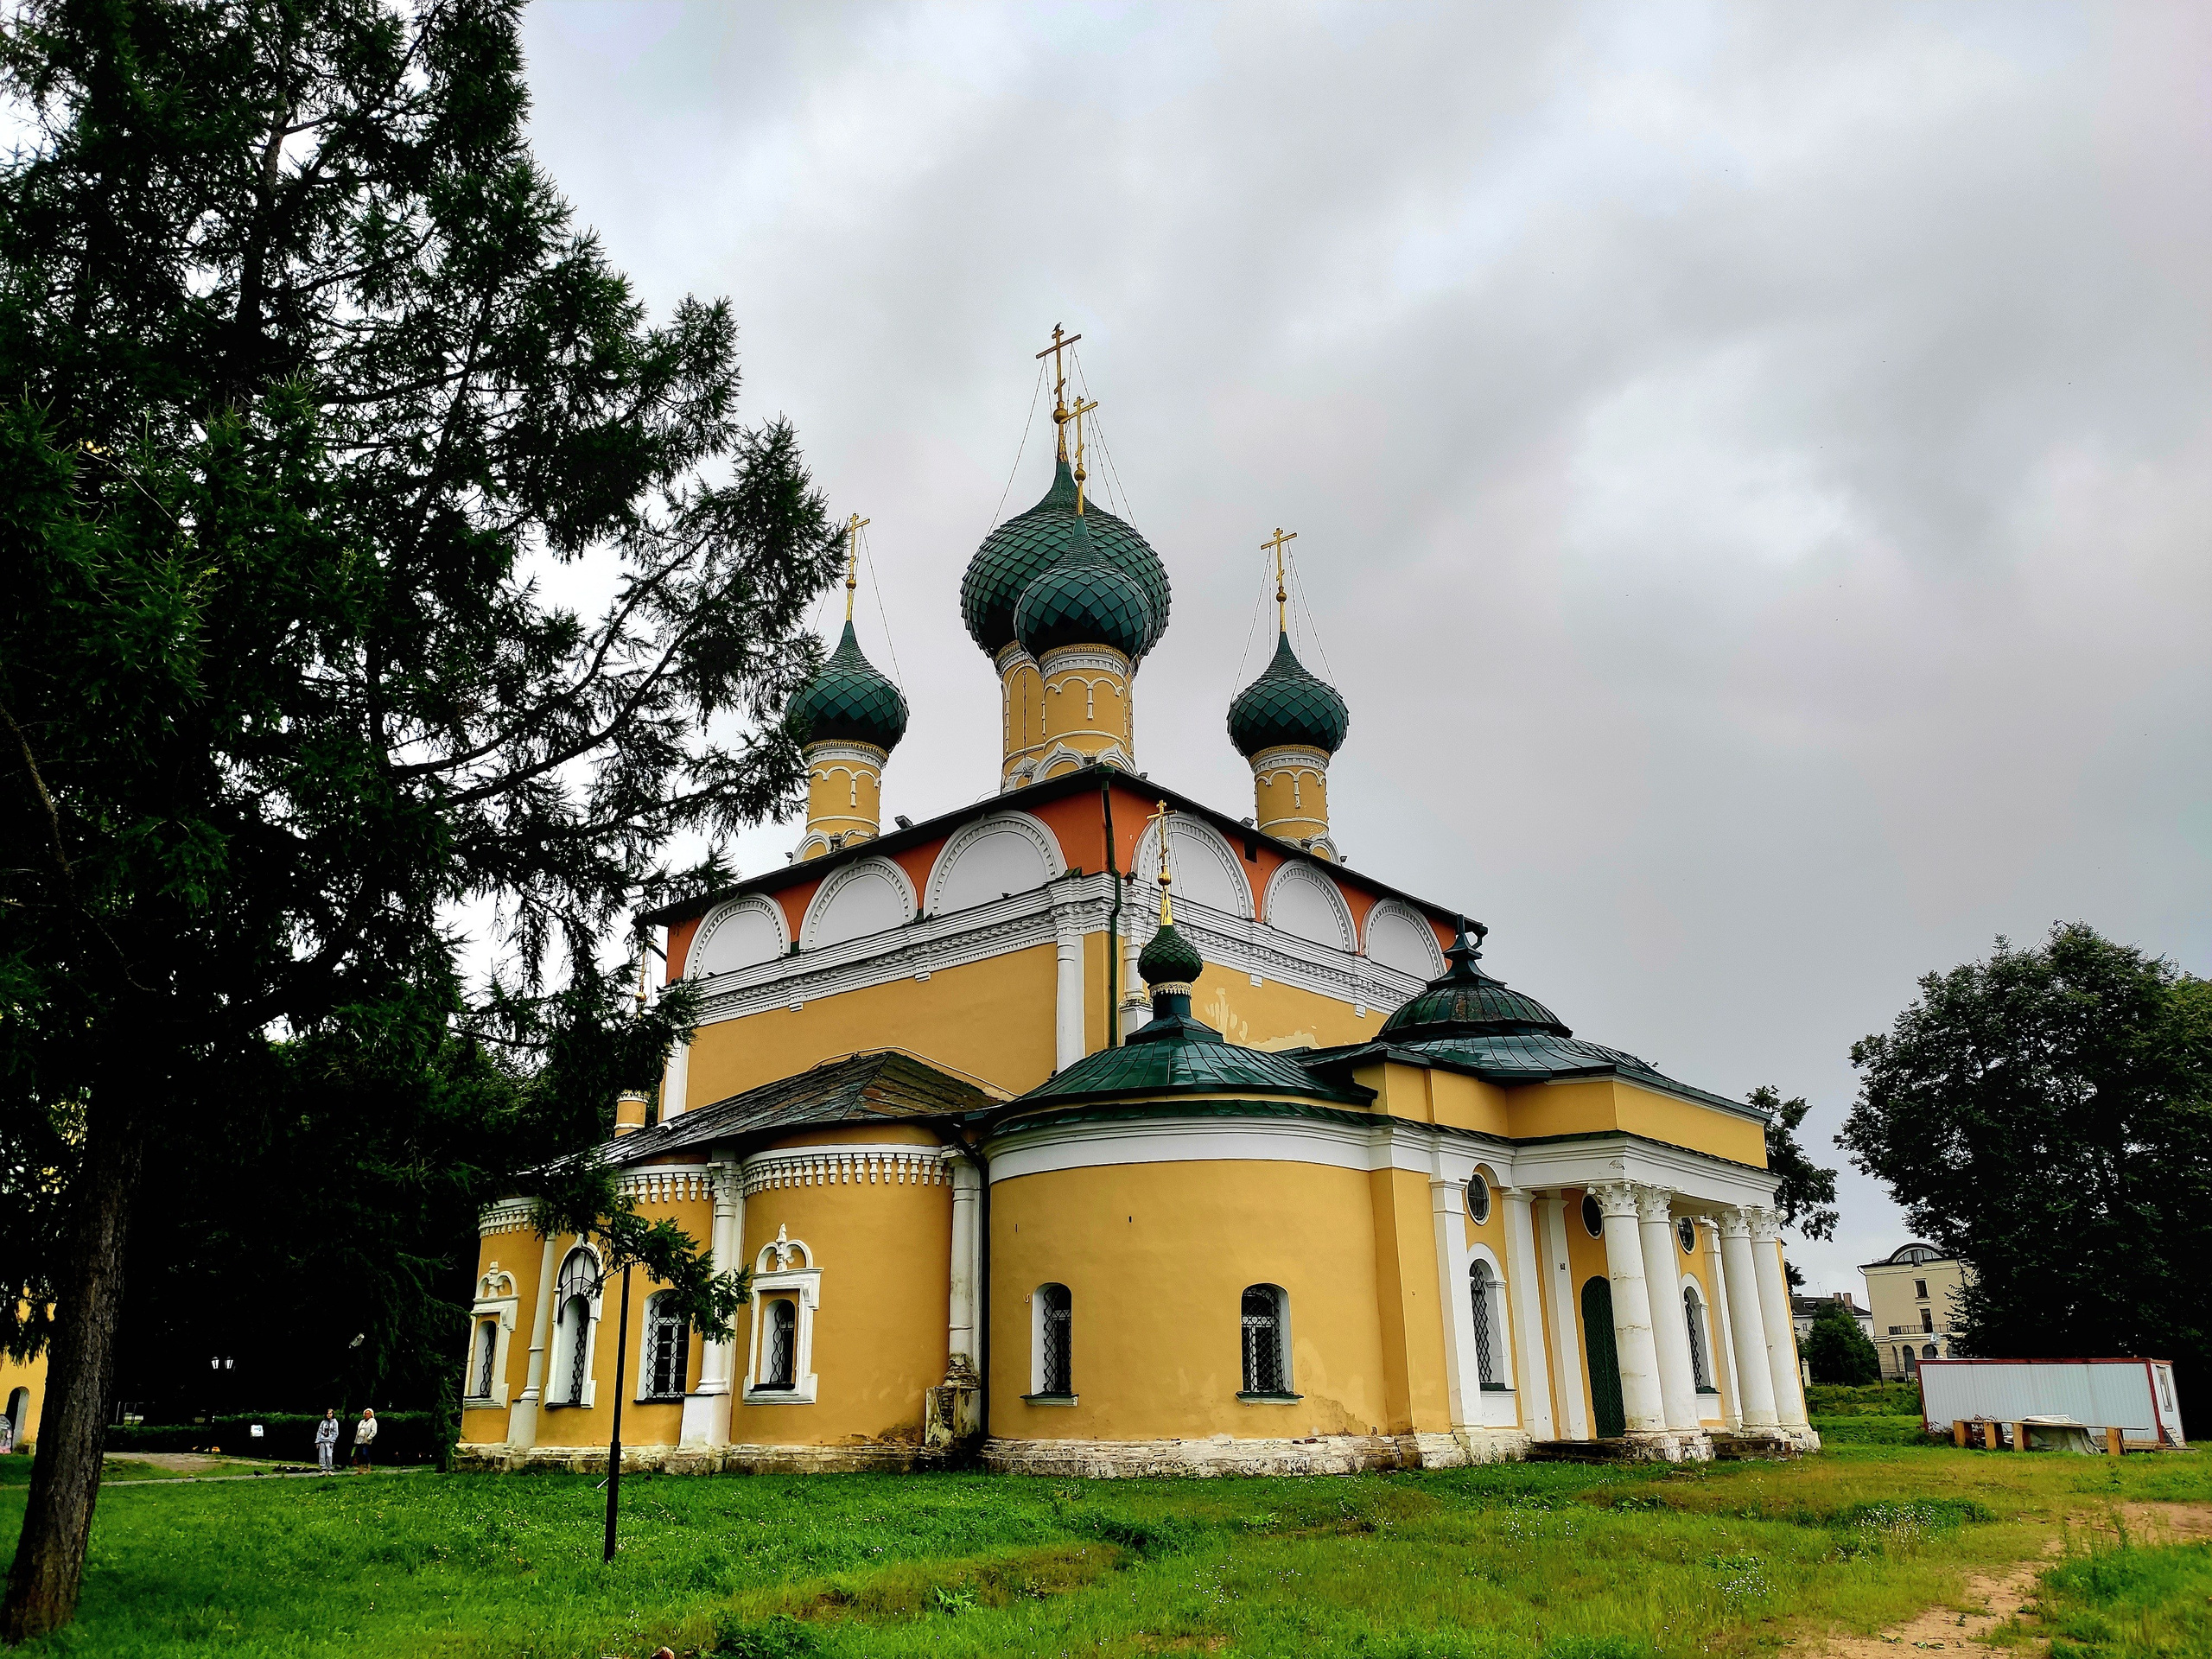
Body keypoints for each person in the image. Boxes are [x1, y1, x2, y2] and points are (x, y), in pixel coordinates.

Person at [351, 1407, 378, 1473]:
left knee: (365, 1454)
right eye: (365, 1413)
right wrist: (356, 1440)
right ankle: (360, 1470)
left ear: (371, 1414)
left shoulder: (372, 1421)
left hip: (366, 1440)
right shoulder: (362, 1422)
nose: (366, 1415)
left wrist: (368, 1438)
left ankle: (368, 1468)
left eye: (368, 1414)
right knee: (359, 1455)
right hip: (359, 1440)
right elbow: (358, 1431)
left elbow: (374, 1431)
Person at [314, 1408, 340, 1475]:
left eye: (330, 1413)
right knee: (322, 1455)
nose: (329, 1415)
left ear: (333, 1414)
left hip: (329, 1441)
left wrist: (333, 1440)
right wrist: (317, 1441)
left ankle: (329, 1469)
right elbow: (319, 1432)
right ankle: (323, 1469)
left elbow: (336, 1432)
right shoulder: (323, 1422)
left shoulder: (334, 1422)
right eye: (328, 1413)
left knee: (329, 1455)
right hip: (322, 1440)